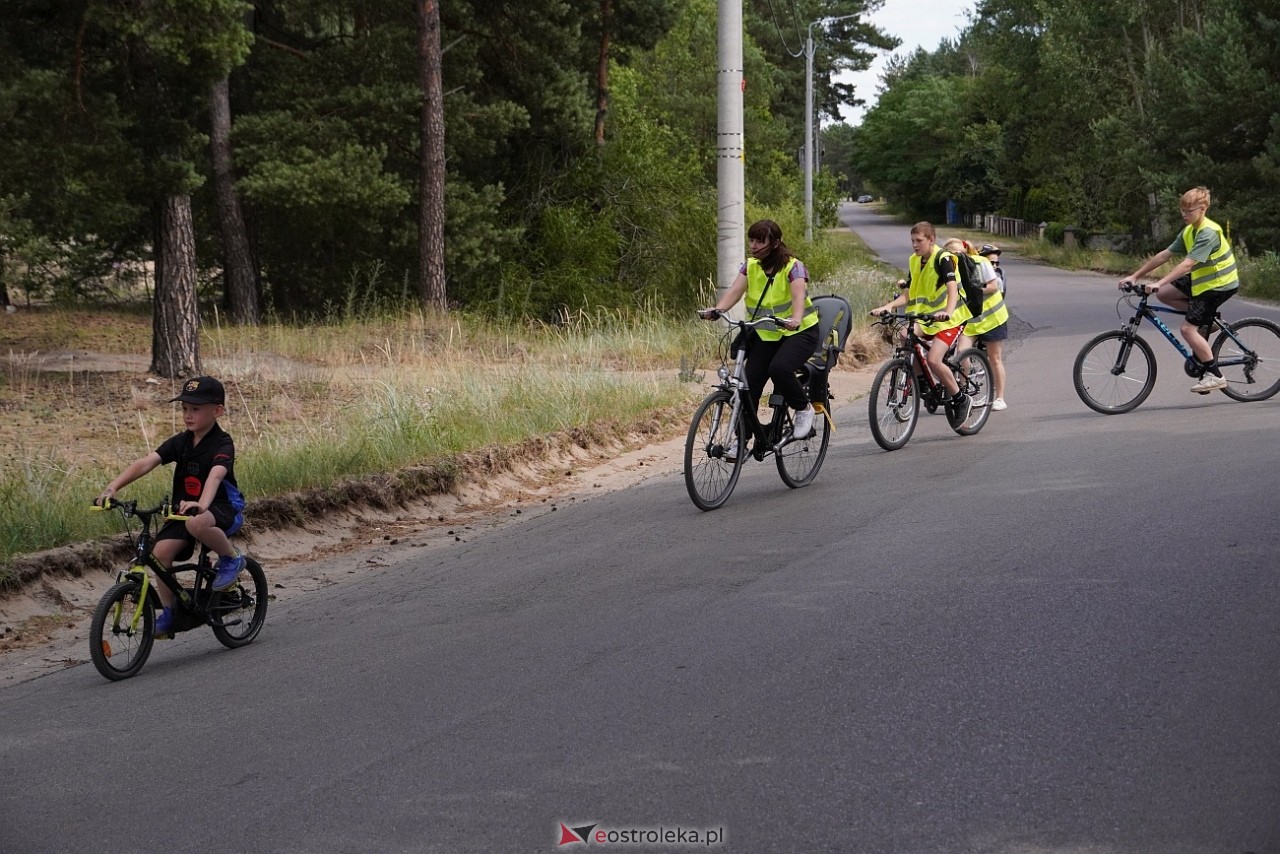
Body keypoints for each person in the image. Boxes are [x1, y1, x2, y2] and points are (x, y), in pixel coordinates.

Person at [96, 375, 247, 635]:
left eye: (196, 409)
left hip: (221, 507)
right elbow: (147, 462)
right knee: (159, 555)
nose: (188, 415)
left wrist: (201, 505)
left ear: (217, 411)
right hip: (184, 512)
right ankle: (171, 611)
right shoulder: (181, 441)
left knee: (197, 522)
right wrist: (113, 487)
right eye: (185, 409)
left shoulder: (223, 442)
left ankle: (230, 559)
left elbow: (216, 475)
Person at [699, 219, 820, 458]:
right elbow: (735, 291)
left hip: (800, 332)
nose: (753, 246)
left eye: (759, 241)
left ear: (774, 243)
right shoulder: (751, 266)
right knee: (747, 385)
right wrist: (718, 310)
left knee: (780, 368)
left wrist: (795, 318)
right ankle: (741, 441)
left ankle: (803, 408)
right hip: (767, 333)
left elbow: (798, 297)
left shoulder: (792, 267)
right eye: (751, 240)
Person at [1120, 186, 1240, 394]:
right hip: (1202, 281)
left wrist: (1159, 281)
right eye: (1182, 210)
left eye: (1189, 210)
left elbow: (1187, 265)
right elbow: (1164, 255)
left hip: (1219, 284)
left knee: (1187, 329)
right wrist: (1135, 275)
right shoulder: (1189, 231)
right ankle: (1206, 320)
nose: (1184, 214)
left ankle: (1215, 376)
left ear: (1202, 209)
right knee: (1165, 293)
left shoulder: (1208, 233)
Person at [870, 221, 974, 428]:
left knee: (934, 360)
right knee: (904, 337)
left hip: (950, 319)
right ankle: (923, 382)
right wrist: (888, 306)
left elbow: (952, 289)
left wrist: (948, 311)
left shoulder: (944, 258)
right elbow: (909, 294)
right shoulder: (914, 260)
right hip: (926, 318)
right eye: (912, 241)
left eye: (919, 241)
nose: (915, 245)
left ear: (931, 240)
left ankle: (961, 399)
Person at [952, 240, 1010, 411]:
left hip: (992, 319)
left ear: (964, 251)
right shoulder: (950, 269)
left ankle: (999, 398)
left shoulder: (979, 262)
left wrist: (974, 290)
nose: (952, 256)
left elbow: (993, 286)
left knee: (995, 358)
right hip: (971, 321)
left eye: (955, 253)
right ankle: (963, 395)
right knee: (961, 355)